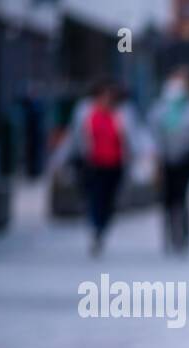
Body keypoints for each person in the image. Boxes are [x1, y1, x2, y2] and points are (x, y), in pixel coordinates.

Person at [149, 66, 189, 254]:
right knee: (167, 199)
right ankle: (169, 236)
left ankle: (184, 235)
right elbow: (152, 134)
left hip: (187, 160)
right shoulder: (160, 107)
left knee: (183, 198)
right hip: (165, 160)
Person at [71, 79, 131, 256]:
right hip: (92, 164)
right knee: (95, 197)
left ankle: (102, 225)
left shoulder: (123, 114)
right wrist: (59, 161)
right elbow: (73, 138)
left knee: (109, 200)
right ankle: (96, 228)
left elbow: (135, 136)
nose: (106, 99)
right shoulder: (85, 113)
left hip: (115, 164)